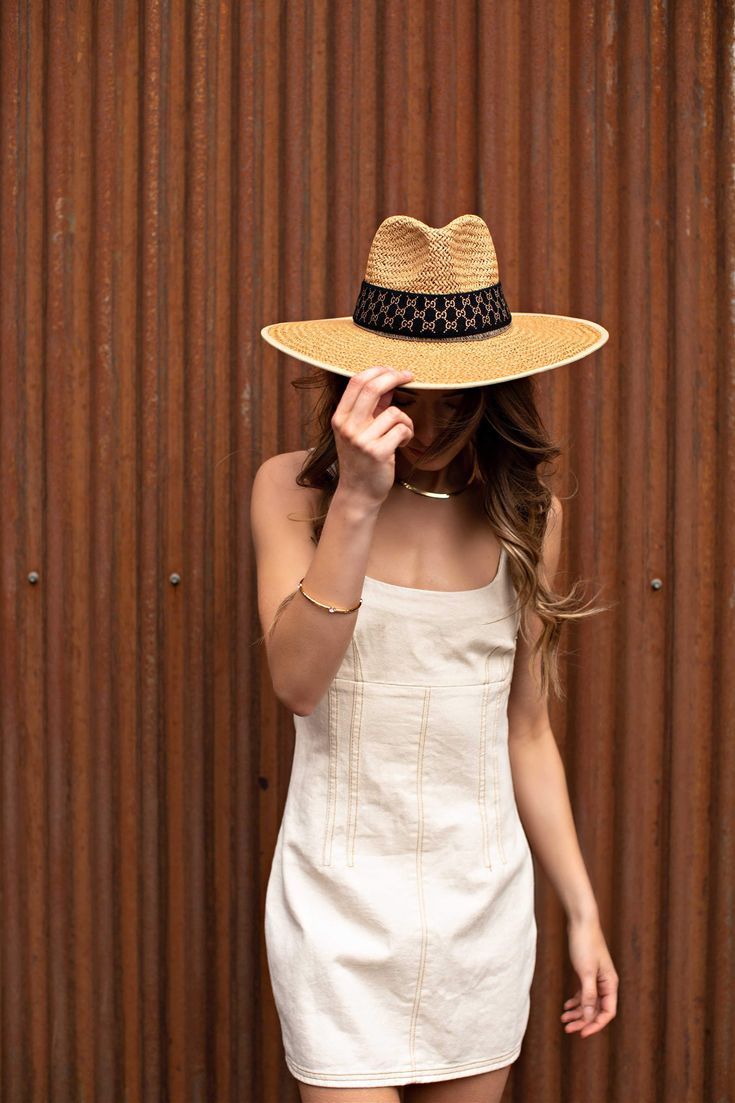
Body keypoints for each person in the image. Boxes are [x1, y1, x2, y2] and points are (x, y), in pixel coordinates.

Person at [251, 215, 619, 1103]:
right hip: (335, 905)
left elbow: (526, 731)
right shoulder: (289, 493)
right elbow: (298, 684)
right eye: (412, 391)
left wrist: (581, 910)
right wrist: (356, 503)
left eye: (462, 393)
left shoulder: (528, 514)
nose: (431, 418)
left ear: (499, 390)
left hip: (479, 909)